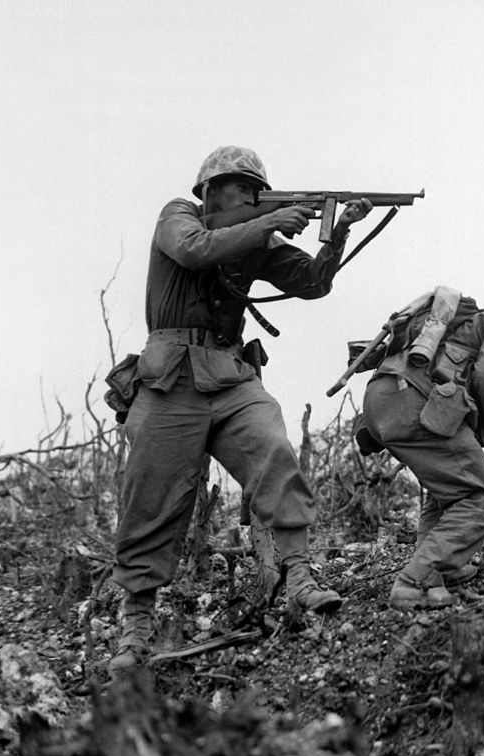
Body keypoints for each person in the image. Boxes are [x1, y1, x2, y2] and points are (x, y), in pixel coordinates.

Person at [108, 145, 372, 676]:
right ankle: (136, 626)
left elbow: (312, 283)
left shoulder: (256, 238)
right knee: (151, 497)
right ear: (209, 190)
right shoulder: (178, 215)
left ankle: (298, 575)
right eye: (239, 185)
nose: (251, 193)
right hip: (170, 381)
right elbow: (194, 249)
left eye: (257, 187)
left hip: (229, 376)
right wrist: (269, 219)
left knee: (274, 450)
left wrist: (338, 229)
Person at [359, 282, 484, 609]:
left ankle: (437, 572)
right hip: (412, 399)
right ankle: (416, 580)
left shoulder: (474, 331)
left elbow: (471, 398)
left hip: (384, 399)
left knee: (451, 489)